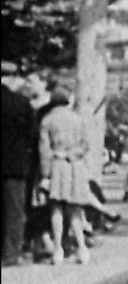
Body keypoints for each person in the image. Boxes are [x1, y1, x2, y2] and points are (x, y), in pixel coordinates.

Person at [37, 87, 93, 266]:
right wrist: (75, 154)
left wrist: (45, 174)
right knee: (75, 208)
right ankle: (82, 248)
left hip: (57, 165)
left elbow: (44, 150)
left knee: (57, 209)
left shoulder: (47, 120)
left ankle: (58, 249)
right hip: (75, 165)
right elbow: (86, 144)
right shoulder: (77, 119)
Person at [1, 62, 34, 267]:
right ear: (11, 78)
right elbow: (32, 134)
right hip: (15, 166)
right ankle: (10, 254)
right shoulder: (21, 102)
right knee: (14, 211)